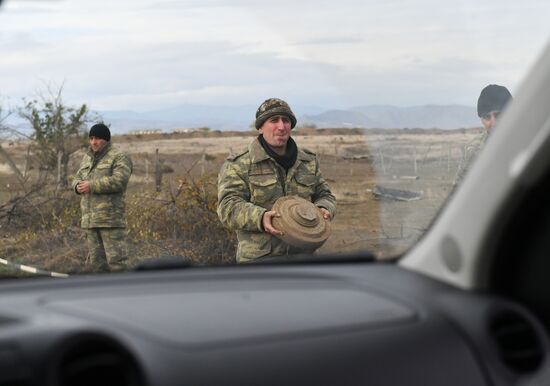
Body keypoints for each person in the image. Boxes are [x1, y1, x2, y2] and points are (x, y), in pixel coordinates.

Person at [217, 98, 336, 263]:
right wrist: (261, 217)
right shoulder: (240, 163)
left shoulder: (307, 161)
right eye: (274, 120)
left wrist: (324, 209)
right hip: (260, 260)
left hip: (304, 257)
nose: (281, 126)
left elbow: (325, 195)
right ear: (260, 127)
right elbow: (227, 207)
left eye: (286, 121)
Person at [72, 123, 133, 271]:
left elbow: (119, 181)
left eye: (98, 138)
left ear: (106, 139)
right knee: (98, 267)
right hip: (90, 222)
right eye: (91, 138)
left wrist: (91, 186)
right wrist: (77, 186)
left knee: (118, 265)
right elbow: (77, 178)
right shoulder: (87, 158)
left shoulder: (119, 156)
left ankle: (123, 293)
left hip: (110, 221)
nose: (94, 142)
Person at [453, 84, 512, 185]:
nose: (494, 123)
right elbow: (459, 189)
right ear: (481, 120)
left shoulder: (531, 141)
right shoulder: (473, 148)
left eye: (499, 115)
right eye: (487, 117)